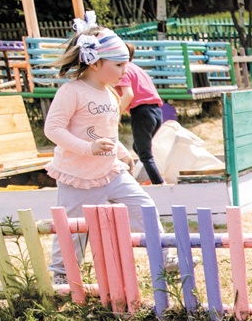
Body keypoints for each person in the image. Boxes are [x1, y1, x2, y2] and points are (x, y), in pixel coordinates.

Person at [43, 15, 169, 285]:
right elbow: (52, 130)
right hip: (77, 176)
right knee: (73, 230)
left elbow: (107, 131)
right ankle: (62, 276)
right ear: (95, 63)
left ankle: (164, 254)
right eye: (120, 64)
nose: (126, 70)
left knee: (143, 204)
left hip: (110, 172)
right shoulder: (71, 92)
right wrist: (87, 148)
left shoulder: (111, 93)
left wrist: (121, 151)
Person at [117, 43, 165, 185]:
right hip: (156, 111)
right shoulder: (137, 68)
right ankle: (156, 173)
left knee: (144, 154)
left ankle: (159, 183)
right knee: (138, 148)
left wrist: (116, 114)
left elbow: (128, 95)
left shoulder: (123, 70)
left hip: (142, 112)